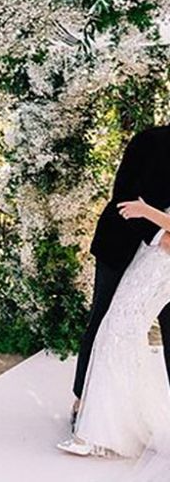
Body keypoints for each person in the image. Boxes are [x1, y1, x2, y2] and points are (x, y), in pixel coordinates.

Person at [69, 126, 170, 433]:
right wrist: (160, 235)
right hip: (121, 244)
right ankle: (81, 402)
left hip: (164, 263)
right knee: (103, 319)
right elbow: (123, 196)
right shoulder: (149, 140)